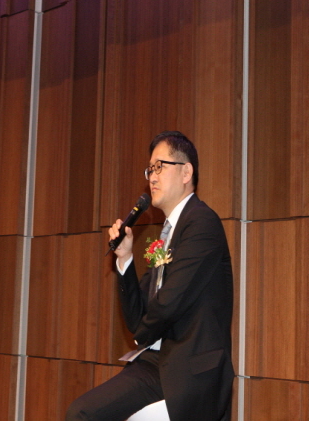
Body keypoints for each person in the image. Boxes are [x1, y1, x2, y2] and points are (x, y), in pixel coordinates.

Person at [66, 131, 234, 421]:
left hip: (188, 369)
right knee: (82, 412)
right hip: (156, 362)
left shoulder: (201, 223)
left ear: (186, 172)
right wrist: (125, 259)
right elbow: (137, 319)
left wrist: (142, 334)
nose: (152, 178)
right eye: (149, 170)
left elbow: (170, 302)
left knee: (84, 415)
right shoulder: (167, 234)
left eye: (159, 167)